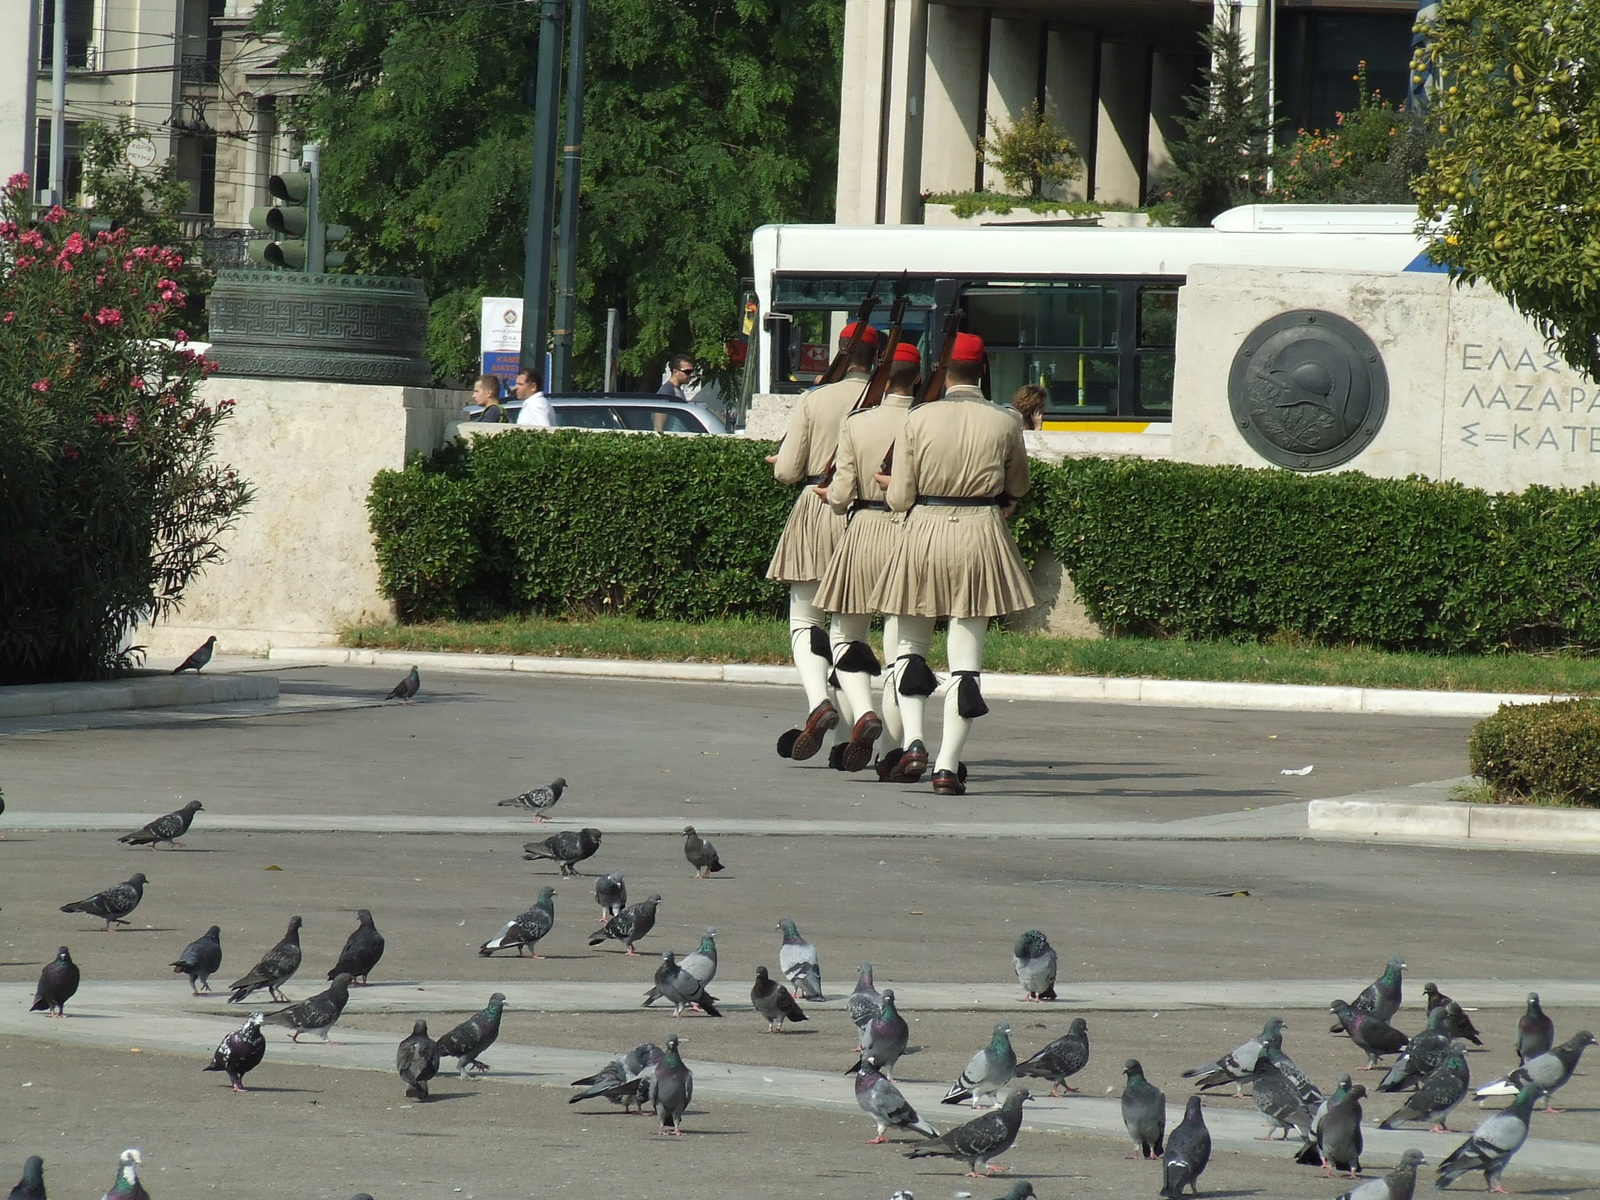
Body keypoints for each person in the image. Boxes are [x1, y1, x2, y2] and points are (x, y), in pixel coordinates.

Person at [869, 331, 1035, 795]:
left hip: (924, 532)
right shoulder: (1005, 421)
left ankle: (915, 742)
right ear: (983, 370)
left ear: (944, 372)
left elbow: (900, 497)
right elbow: (1017, 487)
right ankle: (946, 766)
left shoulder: (918, 419)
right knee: (966, 662)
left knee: (909, 648)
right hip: (980, 533)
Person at [765, 322, 879, 762]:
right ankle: (847, 735)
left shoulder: (816, 399)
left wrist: (785, 459)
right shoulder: (892, 402)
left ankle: (819, 704)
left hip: (819, 509)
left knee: (805, 621)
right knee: (852, 632)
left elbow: (788, 470)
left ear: (839, 352)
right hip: (871, 518)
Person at [813, 339, 922, 776]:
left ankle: (862, 712)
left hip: (863, 531)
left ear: (883, 372)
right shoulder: (925, 420)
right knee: (903, 651)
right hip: (910, 533)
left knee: (845, 634)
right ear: (918, 377)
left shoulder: (857, 424)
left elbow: (839, 497)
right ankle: (896, 746)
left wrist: (831, 496)